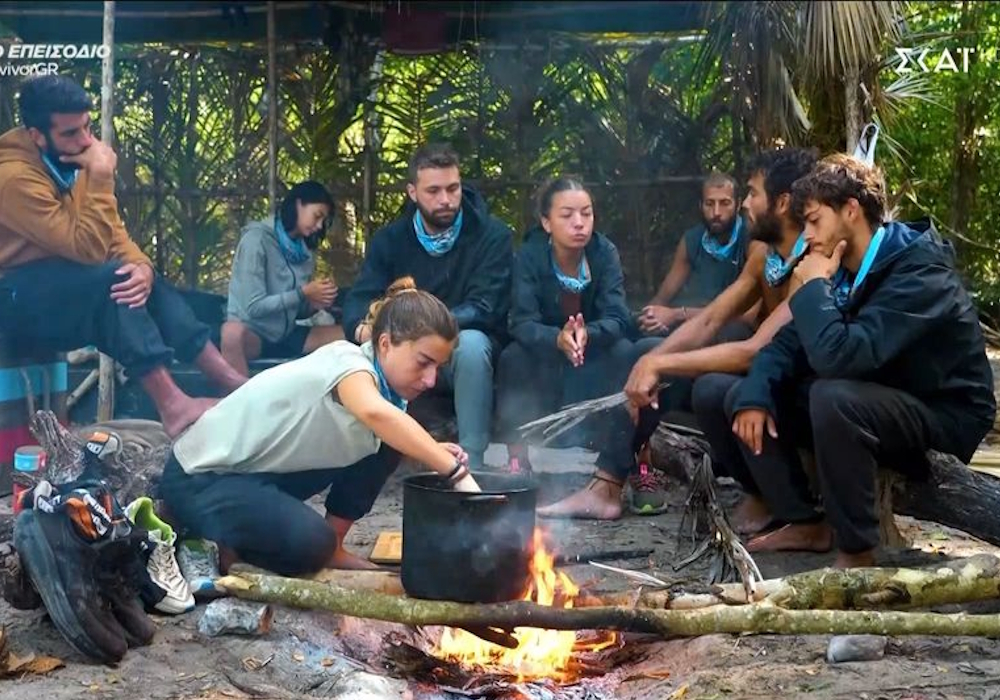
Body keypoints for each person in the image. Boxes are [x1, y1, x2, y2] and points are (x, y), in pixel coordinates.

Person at [692, 155, 996, 568]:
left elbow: (842, 357)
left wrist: (812, 287)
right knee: (723, 392)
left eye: (814, 221)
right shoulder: (841, 266)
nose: (806, 235)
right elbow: (785, 346)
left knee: (832, 396)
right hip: (875, 392)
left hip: (943, 412)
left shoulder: (918, 271)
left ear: (851, 210)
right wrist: (754, 397)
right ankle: (804, 520)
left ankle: (857, 552)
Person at [544, 147, 819, 521]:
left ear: (782, 203)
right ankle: (606, 486)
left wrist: (660, 364)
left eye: (752, 193)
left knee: (713, 388)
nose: (744, 205)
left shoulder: (812, 262)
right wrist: (650, 361)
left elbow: (755, 349)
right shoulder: (764, 256)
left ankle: (794, 511)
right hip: (767, 373)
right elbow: (709, 321)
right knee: (652, 354)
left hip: (802, 383)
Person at [160, 278, 482, 576]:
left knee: (391, 442)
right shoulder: (348, 363)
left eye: (438, 367)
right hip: (201, 478)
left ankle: (333, 548)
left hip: (255, 473)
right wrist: (455, 472)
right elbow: (375, 413)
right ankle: (215, 540)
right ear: (385, 344)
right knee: (312, 544)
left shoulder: (389, 392)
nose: (431, 380)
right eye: (423, 362)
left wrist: (428, 449)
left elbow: (387, 425)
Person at [0, 75, 246, 438]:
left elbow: (113, 235)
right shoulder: (13, 179)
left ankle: (229, 380)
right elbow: (88, 248)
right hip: (13, 301)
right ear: (37, 135)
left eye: (87, 127)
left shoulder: (69, 160)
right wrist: (101, 176)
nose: (86, 141)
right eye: (71, 133)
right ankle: (173, 405)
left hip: (58, 289)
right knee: (115, 280)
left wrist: (142, 267)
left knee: (137, 277)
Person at [342, 143, 513, 471]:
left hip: (462, 347)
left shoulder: (492, 235)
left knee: (472, 345)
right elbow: (359, 298)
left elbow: (486, 307)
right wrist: (363, 328)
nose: (445, 199)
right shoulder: (391, 239)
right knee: (371, 346)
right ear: (412, 192)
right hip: (405, 350)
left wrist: (420, 328)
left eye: (453, 188)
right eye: (433, 191)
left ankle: (471, 465)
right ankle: (367, 462)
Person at [495, 176, 636, 516]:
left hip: (593, 350)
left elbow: (618, 317)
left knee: (629, 354)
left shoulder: (604, 253)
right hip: (545, 353)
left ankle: (629, 468)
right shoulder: (529, 256)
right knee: (512, 357)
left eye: (586, 213)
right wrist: (556, 338)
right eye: (567, 215)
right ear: (546, 222)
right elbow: (521, 321)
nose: (579, 223)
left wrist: (590, 333)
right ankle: (518, 460)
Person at [221, 181, 344, 376]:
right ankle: (242, 393)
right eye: (317, 216)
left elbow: (295, 311)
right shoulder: (256, 240)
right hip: (256, 335)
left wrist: (315, 303)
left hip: (287, 334)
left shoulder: (305, 250)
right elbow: (253, 307)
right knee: (232, 333)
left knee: (351, 333)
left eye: (323, 220)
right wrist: (302, 293)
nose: (319, 225)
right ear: (299, 204)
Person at [638, 172, 749, 336]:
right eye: (709, 204)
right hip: (686, 329)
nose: (716, 212)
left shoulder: (751, 240)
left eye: (725, 203)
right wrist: (649, 318)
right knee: (641, 343)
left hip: (726, 332)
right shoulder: (692, 239)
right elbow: (663, 297)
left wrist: (677, 314)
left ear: (738, 205)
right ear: (700, 206)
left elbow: (747, 316)